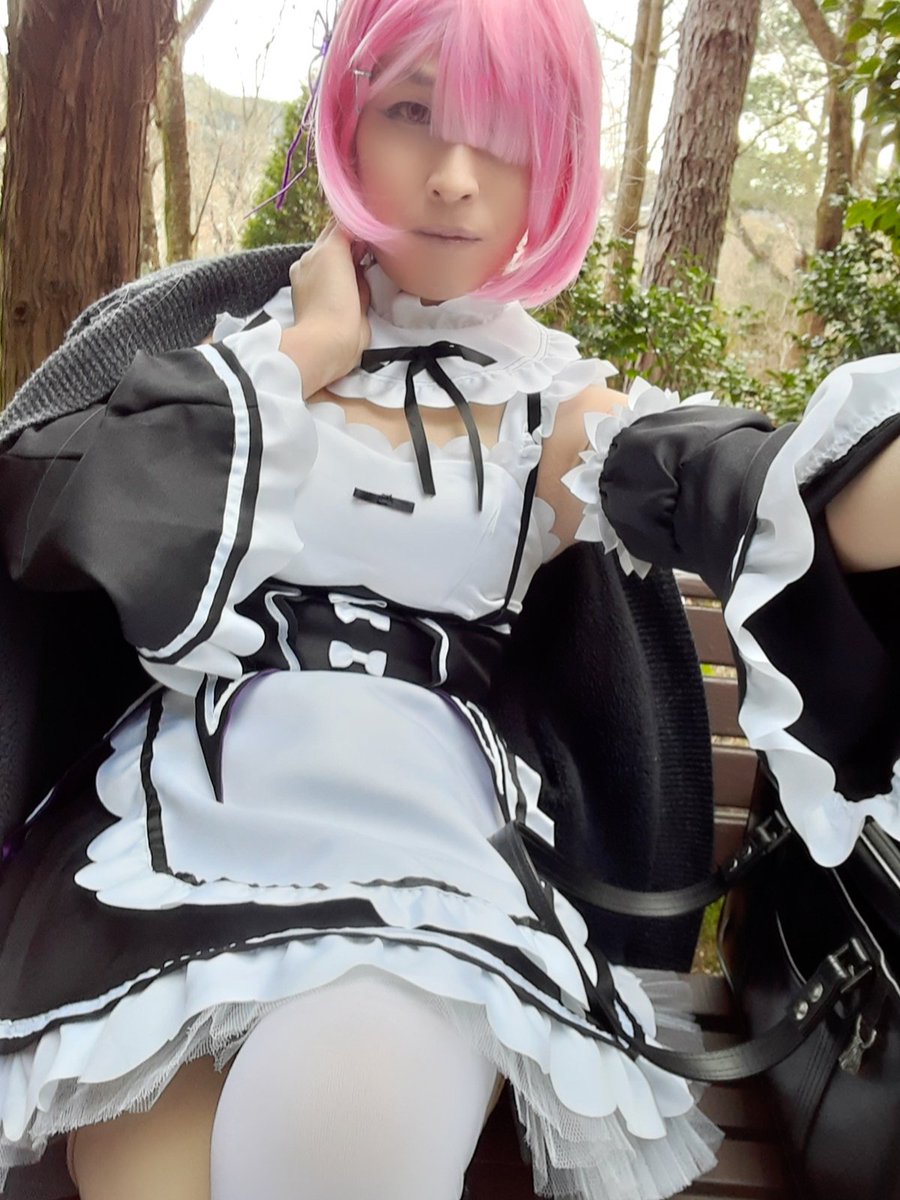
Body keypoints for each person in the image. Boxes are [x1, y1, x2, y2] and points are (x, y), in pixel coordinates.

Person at [0, 0, 898, 1198]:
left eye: (507, 132)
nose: (456, 177)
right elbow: (65, 508)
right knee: (150, 1171)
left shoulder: (552, 410)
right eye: (412, 110)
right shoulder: (220, 356)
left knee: (344, 1119)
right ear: (346, 121)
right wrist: (307, 353)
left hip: (419, 874)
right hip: (169, 861)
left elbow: (752, 485)